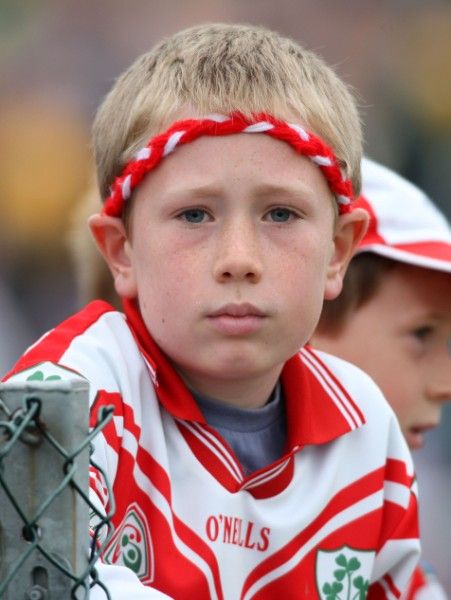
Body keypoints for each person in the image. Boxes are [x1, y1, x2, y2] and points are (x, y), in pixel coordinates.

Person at [2, 24, 420, 599]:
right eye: (195, 215)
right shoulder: (70, 388)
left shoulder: (366, 428)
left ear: (338, 252)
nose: (238, 260)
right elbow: (38, 579)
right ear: (121, 252)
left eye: (281, 214)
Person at [312, 157, 451, 600]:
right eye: (422, 334)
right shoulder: (152, 476)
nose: (446, 384)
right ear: (307, 316)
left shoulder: (389, 545)